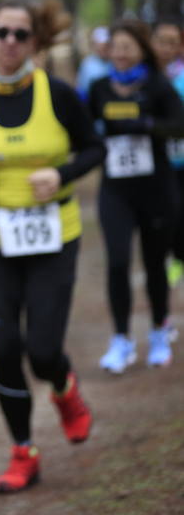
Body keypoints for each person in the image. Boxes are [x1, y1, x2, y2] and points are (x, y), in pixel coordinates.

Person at [0, 0, 105, 493]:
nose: (10, 43)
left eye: (20, 34)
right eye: (2, 32)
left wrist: (63, 172)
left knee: (44, 350)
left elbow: (95, 146)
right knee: (6, 348)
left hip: (55, 237)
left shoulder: (61, 95)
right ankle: (23, 451)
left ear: (34, 42)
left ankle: (64, 387)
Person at [89, 19, 184, 373]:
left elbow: (179, 124)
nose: (122, 54)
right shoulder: (99, 87)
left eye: (128, 47)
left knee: (155, 262)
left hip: (156, 188)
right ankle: (121, 339)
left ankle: (159, 330)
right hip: (115, 189)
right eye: (116, 47)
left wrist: (147, 126)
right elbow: (84, 128)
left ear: (141, 49)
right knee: (117, 261)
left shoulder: (158, 86)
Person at [151, 20, 184, 287]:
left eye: (173, 42)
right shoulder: (142, 78)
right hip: (154, 163)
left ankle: (178, 258)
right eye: (162, 41)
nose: (166, 48)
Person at [76, 26, 112, 101]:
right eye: (99, 45)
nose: (102, 48)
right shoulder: (87, 63)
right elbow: (82, 88)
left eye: (105, 45)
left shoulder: (116, 61)